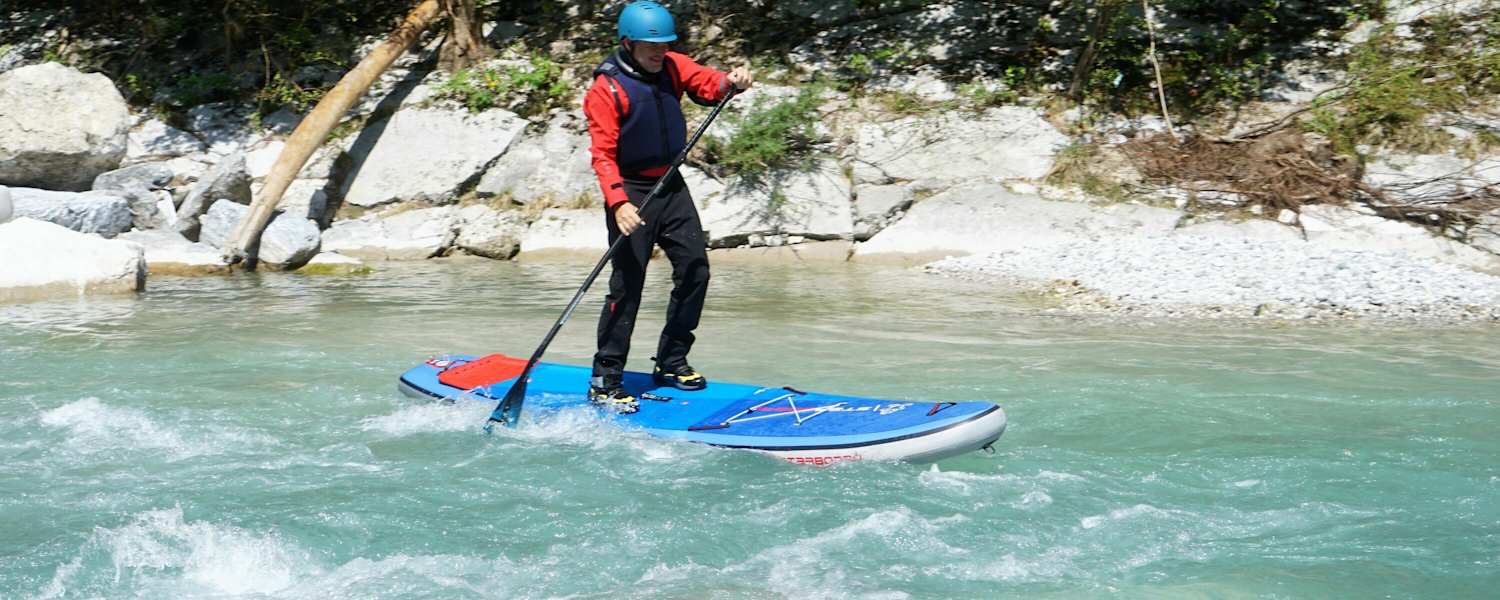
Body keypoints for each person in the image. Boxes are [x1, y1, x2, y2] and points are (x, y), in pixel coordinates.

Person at [583, 0, 753, 413]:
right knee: (628, 284)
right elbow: (602, 154)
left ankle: (672, 361)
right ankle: (605, 378)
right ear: (628, 43)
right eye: (649, 47)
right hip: (631, 190)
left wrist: (731, 80)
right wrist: (618, 202)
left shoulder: (673, 65)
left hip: (670, 185)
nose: (659, 53)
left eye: (664, 45)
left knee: (695, 269)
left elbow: (707, 85)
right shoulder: (605, 89)